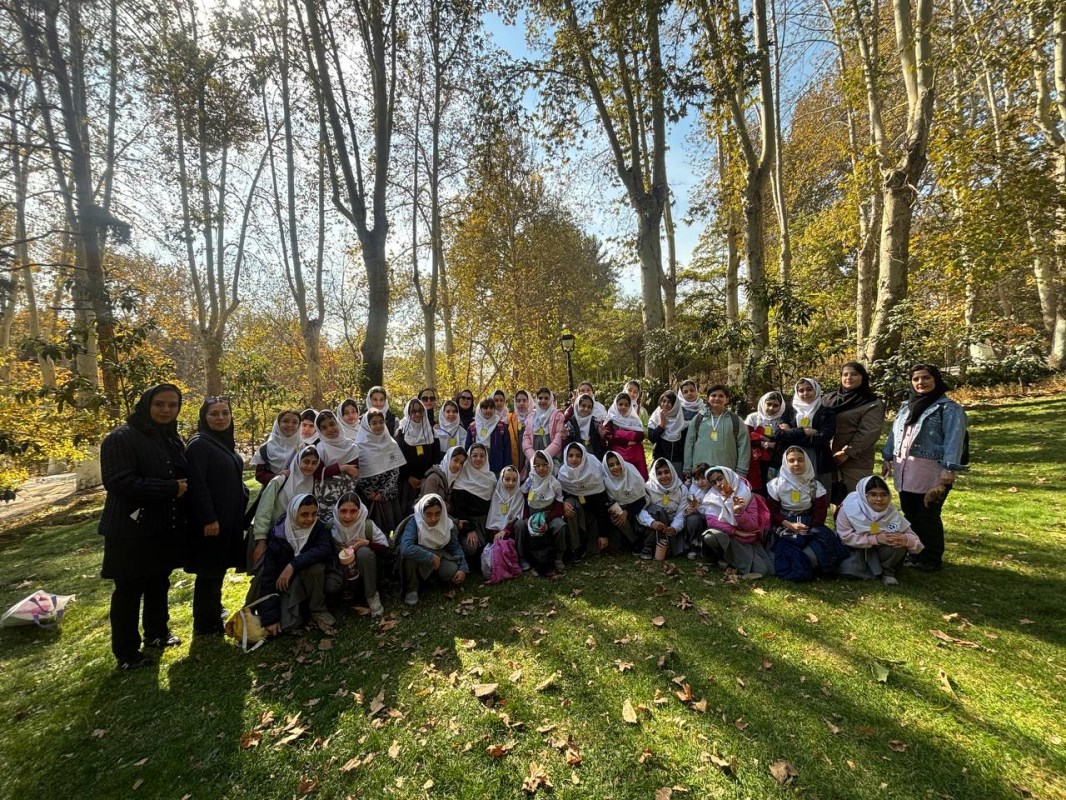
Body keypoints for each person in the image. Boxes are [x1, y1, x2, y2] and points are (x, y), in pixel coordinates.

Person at [99, 383, 188, 670]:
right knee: (128, 591)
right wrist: (170, 488)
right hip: (129, 531)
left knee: (158, 583)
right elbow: (119, 481)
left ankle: (157, 633)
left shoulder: (169, 437)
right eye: (159, 404)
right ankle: (126, 653)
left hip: (160, 527)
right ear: (146, 405)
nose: (166, 410)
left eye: (172, 405)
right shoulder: (121, 438)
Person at [882, 364, 968, 572]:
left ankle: (930, 558)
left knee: (928, 516)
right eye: (916, 379)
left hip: (931, 472)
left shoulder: (948, 409)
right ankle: (915, 552)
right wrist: (887, 457)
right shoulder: (906, 407)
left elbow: (954, 440)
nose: (921, 382)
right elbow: (894, 434)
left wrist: (949, 468)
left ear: (936, 380)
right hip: (906, 470)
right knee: (910, 513)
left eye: (926, 378)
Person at [185, 395, 249, 637]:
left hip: (227, 517)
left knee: (218, 566)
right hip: (212, 521)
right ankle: (205, 622)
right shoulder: (199, 445)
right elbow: (197, 485)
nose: (221, 418)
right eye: (214, 413)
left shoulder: (221, 442)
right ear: (204, 417)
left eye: (225, 413)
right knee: (209, 569)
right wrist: (208, 518)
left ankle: (214, 609)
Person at [248, 445, 321, 602]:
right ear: (297, 461)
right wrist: (261, 541)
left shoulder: (313, 483)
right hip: (271, 537)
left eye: (314, 463)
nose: (310, 466)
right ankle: (257, 606)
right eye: (306, 461)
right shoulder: (280, 480)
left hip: (294, 538)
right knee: (264, 575)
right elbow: (264, 510)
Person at [259, 494, 338, 634]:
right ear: (293, 513)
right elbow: (269, 577)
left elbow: (323, 550)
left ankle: (318, 609)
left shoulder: (318, 528)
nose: (310, 519)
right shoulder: (278, 535)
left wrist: (293, 565)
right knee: (288, 624)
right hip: (289, 585)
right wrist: (270, 618)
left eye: (314, 514)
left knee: (316, 568)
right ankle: (303, 611)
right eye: (304, 514)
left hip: (314, 579)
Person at [765, 446, 846, 581]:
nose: (796, 464)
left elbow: (820, 513)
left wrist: (808, 529)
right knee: (787, 547)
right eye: (791, 461)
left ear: (807, 462)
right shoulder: (776, 485)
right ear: (785, 463)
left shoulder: (814, 485)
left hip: (809, 524)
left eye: (800, 460)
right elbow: (772, 512)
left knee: (822, 545)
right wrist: (789, 525)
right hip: (783, 523)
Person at [835, 476, 924, 585]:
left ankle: (887, 573)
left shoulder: (891, 513)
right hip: (855, 548)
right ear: (864, 495)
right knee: (849, 571)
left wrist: (906, 540)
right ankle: (865, 570)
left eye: (884, 495)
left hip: (881, 550)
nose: (879, 499)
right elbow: (845, 537)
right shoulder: (849, 508)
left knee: (897, 541)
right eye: (873, 495)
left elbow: (916, 542)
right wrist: (876, 539)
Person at [823, 362, 885, 496]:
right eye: (845, 374)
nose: (849, 378)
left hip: (856, 461)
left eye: (854, 374)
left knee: (856, 500)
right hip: (829, 458)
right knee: (834, 500)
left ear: (863, 377)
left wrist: (847, 452)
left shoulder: (871, 403)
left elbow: (868, 432)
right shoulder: (829, 399)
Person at [699, 466, 771, 579]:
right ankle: (723, 557)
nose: (718, 484)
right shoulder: (712, 497)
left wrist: (738, 513)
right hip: (728, 536)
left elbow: (752, 526)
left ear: (729, 476)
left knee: (763, 570)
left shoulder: (747, 495)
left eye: (720, 479)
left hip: (746, 540)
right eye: (713, 482)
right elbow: (712, 522)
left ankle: (731, 560)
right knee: (710, 536)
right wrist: (735, 531)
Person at [397, 494, 469, 606]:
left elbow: (455, 547)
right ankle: (412, 589)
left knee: (451, 571)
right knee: (407, 557)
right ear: (422, 513)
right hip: (418, 556)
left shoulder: (447, 523)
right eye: (429, 514)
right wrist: (430, 557)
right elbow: (406, 548)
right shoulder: (414, 522)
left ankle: (431, 580)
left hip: (438, 554)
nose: (434, 519)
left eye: (437, 514)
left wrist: (463, 568)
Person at [330, 493, 389, 617]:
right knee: (331, 585)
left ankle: (371, 595)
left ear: (360, 511)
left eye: (353, 511)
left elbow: (385, 548)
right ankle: (346, 592)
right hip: (342, 571)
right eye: (343, 511)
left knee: (364, 552)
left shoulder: (366, 525)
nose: (348, 516)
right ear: (337, 510)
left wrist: (366, 543)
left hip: (366, 571)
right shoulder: (331, 527)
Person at [777, 378, 836, 493]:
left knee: (818, 495)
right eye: (801, 390)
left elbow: (823, 437)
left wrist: (791, 433)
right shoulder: (789, 411)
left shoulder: (827, 412)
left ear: (816, 391)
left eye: (809, 389)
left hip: (819, 460)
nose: (805, 393)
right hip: (793, 459)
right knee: (792, 494)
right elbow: (780, 434)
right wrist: (804, 431)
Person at [353, 408, 405, 536]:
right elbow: (357, 472)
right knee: (372, 528)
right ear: (367, 425)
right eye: (374, 423)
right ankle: (375, 545)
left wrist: (383, 492)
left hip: (388, 496)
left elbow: (395, 471)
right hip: (369, 497)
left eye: (381, 422)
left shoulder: (391, 444)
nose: (379, 426)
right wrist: (369, 491)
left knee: (391, 526)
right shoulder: (359, 446)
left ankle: (391, 543)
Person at [514, 450, 567, 572]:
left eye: (544, 465)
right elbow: (523, 500)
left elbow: (559, 507)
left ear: (550, 465)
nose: (541, 468)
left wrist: (545, 519)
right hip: (531, 516)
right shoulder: (530, 481)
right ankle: (522, 558)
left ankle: (558, 557)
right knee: (519, 525)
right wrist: (528, 518)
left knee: (560, 525)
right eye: (537, 465)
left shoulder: (554, 484)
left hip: (548, 516)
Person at [682, 385, 750, 479]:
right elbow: (689, 444)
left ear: (727, 399)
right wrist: (687, 468)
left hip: (726, 474)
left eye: (721, 396)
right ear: (708, 398)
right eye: (713, 395)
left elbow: (744, 447)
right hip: (700, 475)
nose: (717, 398)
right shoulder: (698, 419)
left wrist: (741, 471)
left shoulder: (735, 420)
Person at [557, 442, 610, 560]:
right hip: (576, 512)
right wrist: (563, 503)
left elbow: (601, 505)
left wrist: (603, 534)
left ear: (584, 457)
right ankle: (575, 547)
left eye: (578, 456)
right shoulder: (563, 474)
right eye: (570, 456)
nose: (574, 459)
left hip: (592, 515)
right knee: (570, 505)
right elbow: (559, 495)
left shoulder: (594, 473)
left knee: (595, 550)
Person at [313, 410, 360, 527]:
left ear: (337, 423)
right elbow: (318, 474)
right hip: (326, 500)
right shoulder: (320, 448)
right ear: (320, 431)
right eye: (324, 428)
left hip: (348, 497)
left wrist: (331, 470)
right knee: (328, 527)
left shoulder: (351, 446)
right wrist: (343, 467)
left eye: (332, 424)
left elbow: (355, 471)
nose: (329, 429)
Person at [450, 442, 495, 565]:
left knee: (492, 546)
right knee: (471, 548)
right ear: (469, 457)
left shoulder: (491, 478)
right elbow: (459, 510)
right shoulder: (461, 479)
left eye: (482, 456)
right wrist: (469, 529)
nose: (478, 459)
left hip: (487, 521)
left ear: (486, 458)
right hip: (469, 522)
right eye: (474, 456)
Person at [395, 397, 442, 512]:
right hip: (407, 482)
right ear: (408, 413)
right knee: (406, 511)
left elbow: (436, 458)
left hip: (427, 481)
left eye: (420, 411)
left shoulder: (431, 432)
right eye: (413, 411)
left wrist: (426, 477)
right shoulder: (401, 432)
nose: (417, 414)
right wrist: (409, 477)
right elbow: (398, 458)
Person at [600, 451, 648, 554]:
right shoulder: (604, 478)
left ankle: (636, 542)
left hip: (637, 509)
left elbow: (642, 500)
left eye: (618, 463)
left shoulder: (632, 472)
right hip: (619, 514)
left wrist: (627, 512)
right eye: (611, 465)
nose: (616, 467)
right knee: (616, 516)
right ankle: (633, 540)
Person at [640, 457, 686, 560]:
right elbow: (640, 511)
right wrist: (651, 522)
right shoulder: (648, 488)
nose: (664, 476)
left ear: (672, 472)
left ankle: (670, 548)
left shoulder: (681, 488)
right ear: (654, 475)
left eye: (666, 472)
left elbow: (681, 513)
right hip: (653, 524)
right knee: (657, 510)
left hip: (672, 523)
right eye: (659, 473)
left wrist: (674, 528)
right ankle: (647, 548)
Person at [744, 391, 786, 494]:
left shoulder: (784, 419)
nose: (771, 408)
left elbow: (785, 439)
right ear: (763, 403)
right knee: (758, 486)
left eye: (775, 405)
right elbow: (745, 438)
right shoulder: (753, 418)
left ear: (781, 406)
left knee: (774, 486)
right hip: (755, 460)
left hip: (776, 459)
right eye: (769, 404)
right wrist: (765, 443)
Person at [600, 392, 648, 479]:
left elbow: (640, 436)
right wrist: (627, 442)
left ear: (630, 406)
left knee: (635, 478)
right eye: (620, 404)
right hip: (618, 457)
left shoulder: (633, 419)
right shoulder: (610, 419)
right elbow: (610, 438)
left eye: (626, 405)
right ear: (616, 405)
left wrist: (619, 434)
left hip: (634, 456)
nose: (623, 407)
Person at [251, 409, 302, 486]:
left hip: (299, 490)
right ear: (278, 423)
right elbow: (259, 475)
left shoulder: (303, 446)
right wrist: (277, 476)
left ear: (299, 425)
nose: (290, 425)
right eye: (285, 421)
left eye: (295, 422)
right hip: (274, 490)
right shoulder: (265, 449)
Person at [467, 397, 512, 474]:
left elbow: (507, 449)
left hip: (496, 467)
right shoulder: (473, 427)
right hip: (477, 466)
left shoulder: (501, 426)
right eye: (485, 408)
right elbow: (468, 448)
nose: (488, 410)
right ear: (480, 409)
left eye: (491, 408)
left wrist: (507, 468)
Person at [648, 390, 687, 476]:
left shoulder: (681, 422)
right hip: (660, 461)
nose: (665, 404)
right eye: (663, 401)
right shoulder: (655, 418)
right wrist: (662, 424)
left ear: (675, 405)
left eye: (669, 402)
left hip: (677, 462)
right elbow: (652, 438)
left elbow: (685, 445)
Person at [523, 387, 565, 464]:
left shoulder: (558, 416)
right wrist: (534, 458)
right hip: (533, 460)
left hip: (551, 457)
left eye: (546, 398)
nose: (543, 401)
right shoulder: (530, 417)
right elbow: (526, 439)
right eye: (540, 398)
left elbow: (558, 440)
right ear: (536, 399)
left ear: (551, 400)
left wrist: (543, 457)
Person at [485, 466, 525, 544]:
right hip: (494, 534)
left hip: (512, 533)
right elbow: (492, 519)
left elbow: (519, 517)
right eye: (507, 479)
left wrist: (505, 531)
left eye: (514, 480)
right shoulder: (495, 494)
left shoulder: (519, 495)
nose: (510, 483)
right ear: (501, 479)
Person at [421, 445, 467, 511]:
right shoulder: (434, 478)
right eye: (456, 460)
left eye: (461, 463)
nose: (458, 465)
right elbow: (428, 504)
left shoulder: (455, 479)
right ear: (448, 459)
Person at [564, 392, 606, 458]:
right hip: (576, 460)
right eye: (583, 406)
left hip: (594, 460)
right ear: (577, 406)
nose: (586, 409)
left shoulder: (595, 424)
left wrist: (602, 436)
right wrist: (564, 438)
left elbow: (601, 447)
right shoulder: (570, 424)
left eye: (589, 407)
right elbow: (567, 447)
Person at [506, 390, 531, 475]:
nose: (521, 403)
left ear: (529, 401)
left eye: (524, 400)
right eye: (518, 401)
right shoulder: (510, 418)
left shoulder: (535, 417)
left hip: (529, 457)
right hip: (514, 457)